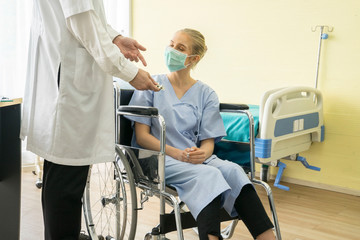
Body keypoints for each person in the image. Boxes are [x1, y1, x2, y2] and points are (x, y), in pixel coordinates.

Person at [20, 1, 160, 239]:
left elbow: (88, 18)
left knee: (61, 180)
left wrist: (115, 37)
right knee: (66, 186)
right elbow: (83, 22)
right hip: (69, 90)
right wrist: (131, 73)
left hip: (69, 85)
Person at [126, 28, 276, 240]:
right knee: (209, 175)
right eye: (171, 44)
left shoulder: (206, 93)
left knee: (234, 171)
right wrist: (178, 154)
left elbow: (208, 143)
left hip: (194, 159)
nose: (172, 50)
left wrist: (202, 154)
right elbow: (142, 137)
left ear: (193, 58)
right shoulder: (150, 85)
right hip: (158, 158)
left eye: (180, 48)